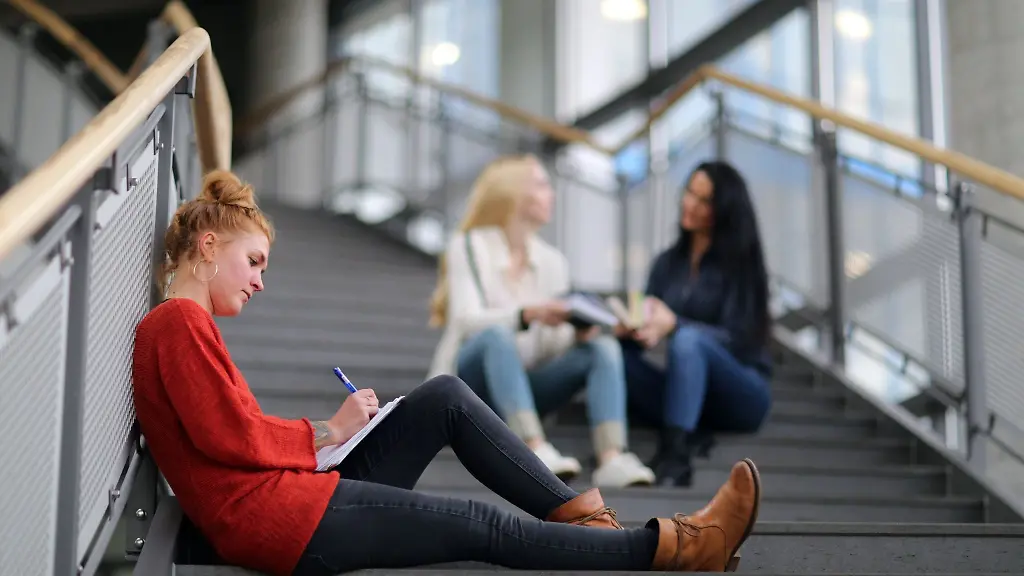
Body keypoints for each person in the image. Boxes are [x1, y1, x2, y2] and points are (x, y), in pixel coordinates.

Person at [132, 169, 763, 576]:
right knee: (483, 525)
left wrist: (331, 439)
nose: (260, 281)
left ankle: (588, 523)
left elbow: (229, 434)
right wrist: (328, 431)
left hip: (292, 500)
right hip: (282, 521)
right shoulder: (178, 323)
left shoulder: (184, 323)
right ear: (208, 247)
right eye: (254, 262)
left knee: (443, 398)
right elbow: (231, 436)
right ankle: (677, 546)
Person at [427, 154, 654, 487]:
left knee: (602, 347)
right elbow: (464, 320)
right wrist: (527, 313)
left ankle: (612, 457)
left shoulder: (553, 261)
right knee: (497, 336)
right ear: (514, 192)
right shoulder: (470, 246)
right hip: (471, 386)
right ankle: (531, 446)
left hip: (525, 386)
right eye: (542, 185)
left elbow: (549, 347)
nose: (552, 194)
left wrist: (577, 331)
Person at [618, 161, 773, 488]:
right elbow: (651, 323)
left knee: (688, 340)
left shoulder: (742, 266)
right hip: (685, 388)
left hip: (742, 392)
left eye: (704, 200)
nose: (690, 204)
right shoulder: (666, 264)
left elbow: (741, 340)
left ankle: (675, 454)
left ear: (724, 209)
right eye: (689, 193)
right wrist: (633, 330)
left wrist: (675, 324)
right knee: (612, 352)